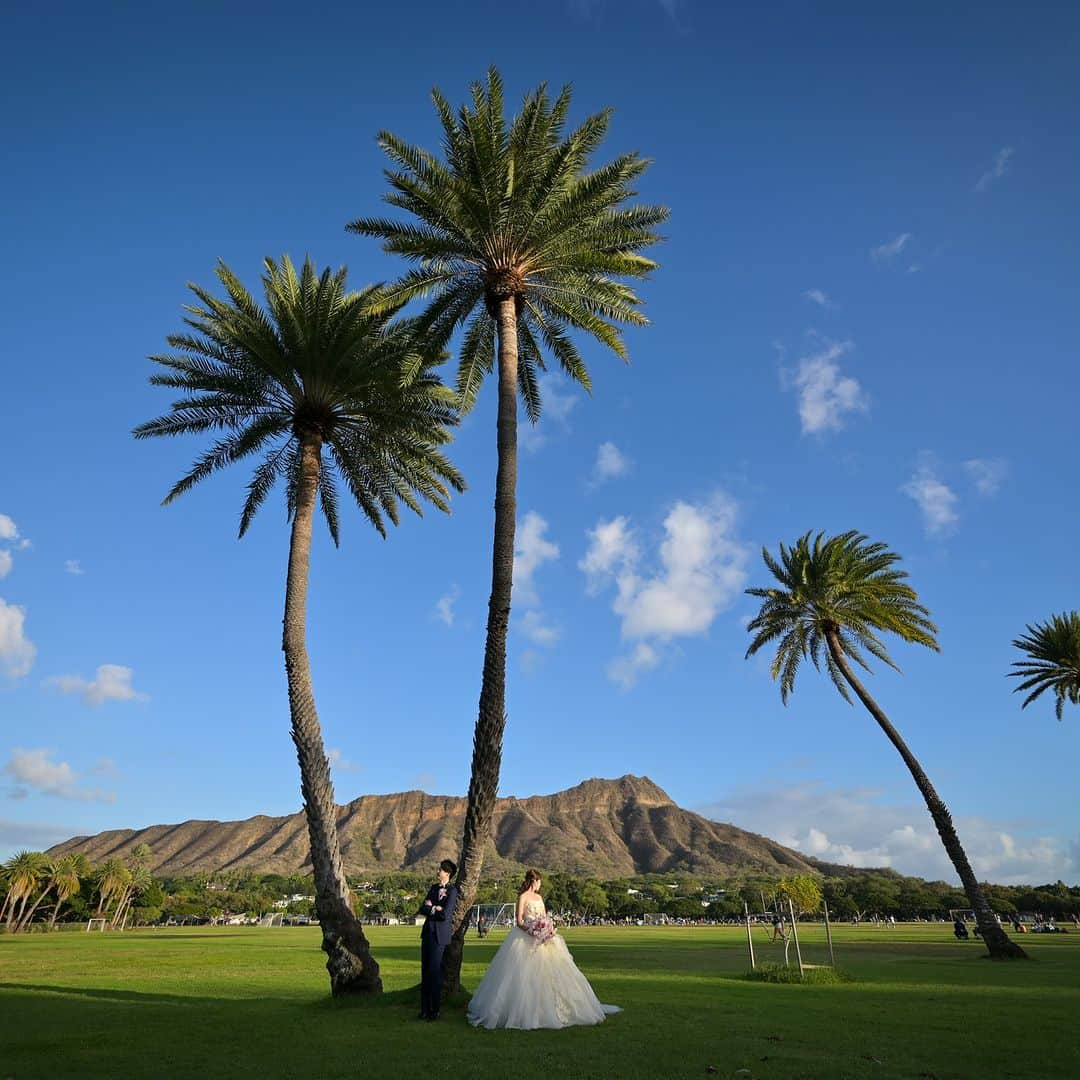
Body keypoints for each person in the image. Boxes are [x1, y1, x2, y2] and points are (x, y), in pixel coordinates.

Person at [467, 869, 621, 1030]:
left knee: (552, 972)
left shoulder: (539, 897)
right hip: (526, 937)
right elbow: (519, 920)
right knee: (522, 975)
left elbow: (544, 916)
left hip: (544, 939)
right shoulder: (523, 897)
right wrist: (533, 931)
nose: (540, 884)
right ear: (534, 881)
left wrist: (546, 929)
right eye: (539, 881)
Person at [417, 858, 459, 1021]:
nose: (438, 871)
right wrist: (435, 908)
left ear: (447, 873)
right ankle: (424, 1009)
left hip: (439, 936)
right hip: (427, 933)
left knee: (434, 973)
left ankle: (435, 1010)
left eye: (440, 870)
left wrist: (431, 908)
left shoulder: (452, 891)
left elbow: (445, 915)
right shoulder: (434, 888)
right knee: (425, 973)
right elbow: (423, 908)